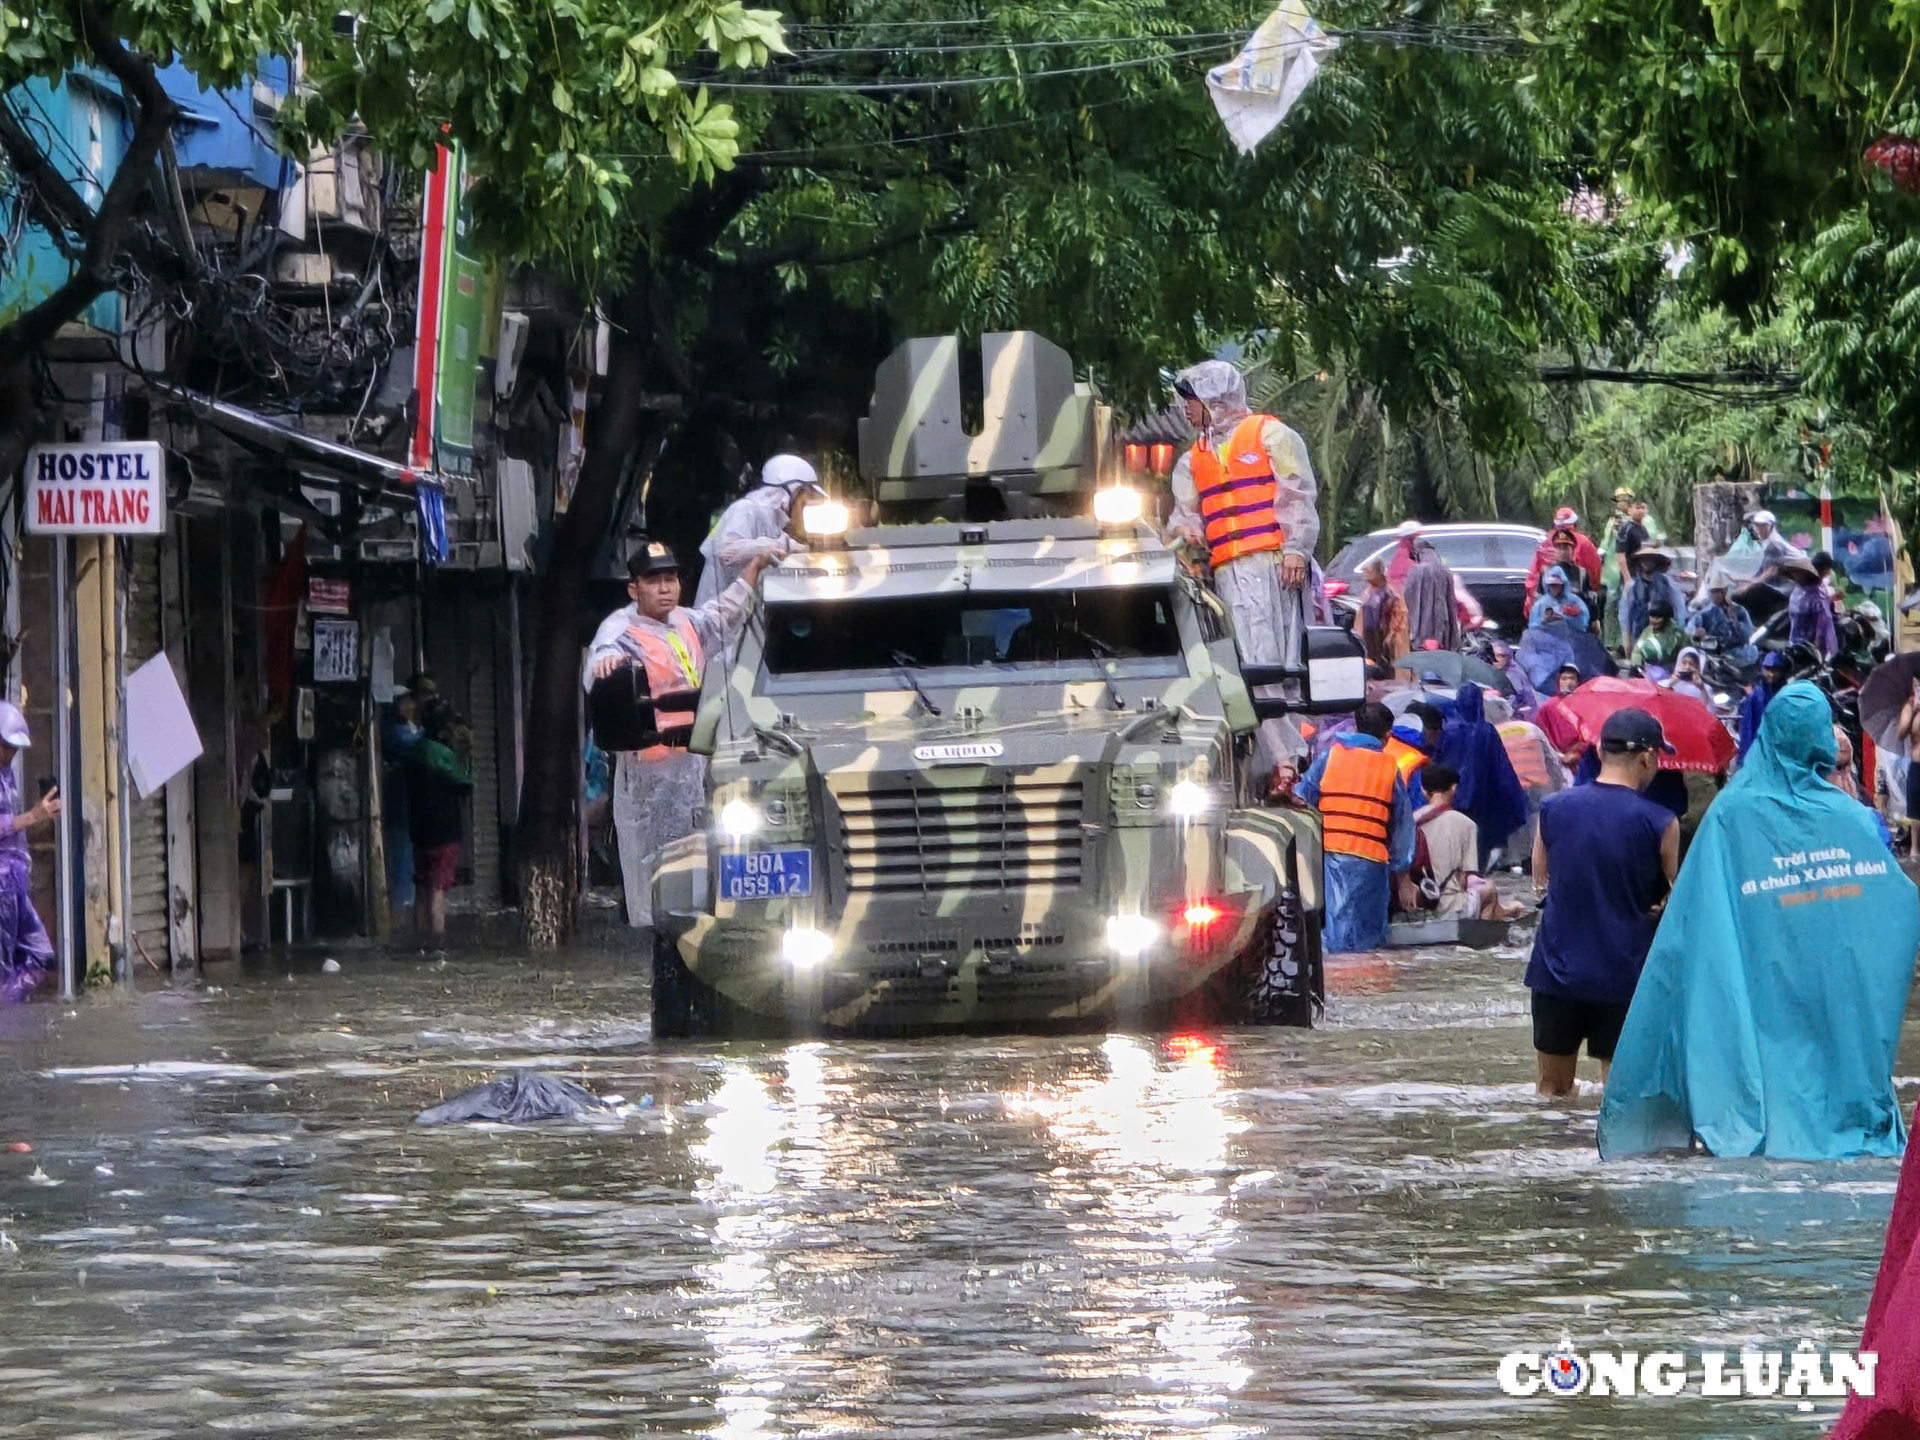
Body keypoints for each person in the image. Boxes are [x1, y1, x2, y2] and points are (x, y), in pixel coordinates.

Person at [1597, 683, 1918, 1158]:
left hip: (1760, 980)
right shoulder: (1849, 818)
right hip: (1831, 983)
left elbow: (1697, 916)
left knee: (1771, 1077)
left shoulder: (1731, 813)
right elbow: (1894, 902)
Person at [586, 537, 773, 931]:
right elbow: (600, 662)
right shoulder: (620, 630)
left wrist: (753, 570)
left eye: (671, 578)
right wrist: (608, 665)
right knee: (659, 865)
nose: (665, 587)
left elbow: (725, 614)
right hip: (652, 772)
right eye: (654, 581)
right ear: (633, 588)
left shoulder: (687, 621)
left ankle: (712, 927)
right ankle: (662, 940)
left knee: (711, 852)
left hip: (700, 761)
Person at [1167, 361, 1321, 771]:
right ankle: (1283, 758)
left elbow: (1297, 495)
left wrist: (1295, 549)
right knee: (1250, 661)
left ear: (1214, 399)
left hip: (1272, 565)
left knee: (1275, 661)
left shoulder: (1272, 435)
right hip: (1226, 573)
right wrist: (1186, 539)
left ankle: (1287, 757)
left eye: (1190, 400)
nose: (1185, 409)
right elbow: (1185, 516)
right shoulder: (1192, 459)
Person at [1526, 709, 1681, 1096]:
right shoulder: (1661, 822)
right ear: (1646, 758)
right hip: (1624, 975)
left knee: (1551, 1094)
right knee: (1620, 1098)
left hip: (1556, 971)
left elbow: (1540, 879)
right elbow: (1677, 900)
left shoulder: (1553, 809)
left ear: (1598, 749)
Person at [1296, 701, 1415, 952]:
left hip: (1331, 855)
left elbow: (1302, 797)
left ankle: (1338, 978)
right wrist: (1403, 877)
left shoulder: (1329, 757)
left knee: (1336, 924)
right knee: (1367, 933)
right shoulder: (1390, 768)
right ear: (1387, 735)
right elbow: (1402, 827)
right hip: (1371, 862)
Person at [695, 453, 819, 606]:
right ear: (793, 492)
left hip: (744, 614)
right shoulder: (746, 509)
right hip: (717, 617)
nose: (804, 505)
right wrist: (783, 545)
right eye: (804, 497)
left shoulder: (773, 520)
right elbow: (727, 552)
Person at [1434, 683, 1531, 867]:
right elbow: (1501, 768)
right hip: (1482, 798)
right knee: (1477, 848)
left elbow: (1437, 760)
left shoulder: (1449, 731)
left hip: (1450, 796)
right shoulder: (1486, 732)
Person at [0, 703, 59, 1000]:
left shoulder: (6, 775)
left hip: (15, 881)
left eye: (14, 749)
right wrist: (32, 817)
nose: (11, 754)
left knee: (41, 956)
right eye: (6, 746)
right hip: (2, 884)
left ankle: (11, 1016)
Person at [1415, 763, 1525, 921]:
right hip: (1450, 906)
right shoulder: (1466, 824)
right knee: (1489, 890)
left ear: (1423, 790)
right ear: (1453, 788)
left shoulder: (1413, 820)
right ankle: (1491, 930)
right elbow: (1471, 879)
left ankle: (1502, 913)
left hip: (1420, 903)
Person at [403, 700, 472, 946]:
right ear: (444, 729)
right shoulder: (446, 757)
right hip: (445, 834)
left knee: (422, 887)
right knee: (438, 889)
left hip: (419, 832)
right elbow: (465, 785)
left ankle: (420, 940)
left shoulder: (415, 752)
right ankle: (437, 944)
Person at [380, 672, 434, 915]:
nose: (408, 704)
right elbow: (415, 747)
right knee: (400, 863)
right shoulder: (392, 731)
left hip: (416, 810)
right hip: (399, 809)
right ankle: (400, 909)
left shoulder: (415, 728)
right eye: (403, 700)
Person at [1523, 514, 1602, 610]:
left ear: (1572, 549)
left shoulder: (1582, 573)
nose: (1563, 551)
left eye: (1566, 548)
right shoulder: (1545, 572)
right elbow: (1536, 593)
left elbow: (1591, 597)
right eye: (1559, 548)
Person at [1619, 549, 1689, 652]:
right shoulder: (1632, 587)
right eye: (1644, 559)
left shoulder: (1668, 585)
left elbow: (1679, 610)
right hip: (1638, 635)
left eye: (1651, 559)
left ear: (1657, 562)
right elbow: (1624, 615)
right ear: (1639, 562)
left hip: (1664, 635)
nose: (1647, 562)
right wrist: (1627, 642)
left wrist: (1678, 636)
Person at [1402, 538, 1460, 652]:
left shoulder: (1416, 571)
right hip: (1441, 624)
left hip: (1419, 626)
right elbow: (1450, 602)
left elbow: (1406, 595)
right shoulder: (1445, 571)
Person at [1736, 650, 1791, 764]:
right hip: (1759, 748)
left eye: (1775, 670)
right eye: (1768, 669)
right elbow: (1747, 727)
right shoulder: (1756, 696)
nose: (1771, 674)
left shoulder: (1787, 694)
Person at [1356, 557, 1407, 675]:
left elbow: (1397, 616)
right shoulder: (1369, 592)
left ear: (1378, 572)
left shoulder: (1389, 593)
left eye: (1368, 572)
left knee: (1384, 667)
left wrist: (1391, 635)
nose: (1365, 577)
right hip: (1369, 634)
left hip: (1383, 635)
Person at [1687, 578, 1757, 665]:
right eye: (1714, 592)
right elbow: (1689, 629)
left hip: (1737, 652)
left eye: (1720, 591)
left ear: (1725, 591)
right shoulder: (1705, 612)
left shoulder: (1739, 610)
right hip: (1713, 653)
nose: (1717, 595)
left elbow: (1748, 634)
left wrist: (1735, 622)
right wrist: (1696, 633)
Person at [1534, 663, 1588, 767]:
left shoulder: (1585, 705)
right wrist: (1556, 755)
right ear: (1558, 681)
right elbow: (1541, 733)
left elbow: (1590, 734)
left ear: (1578, 682)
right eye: (1564, 679)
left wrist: (1576, 753)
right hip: (1556, 760)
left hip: (1581, 760)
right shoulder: (1548, 707)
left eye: (1572, 678)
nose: (1568, 682)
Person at [1787, 553, 1840, 658]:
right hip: (1812, 647)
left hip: (1795, 641)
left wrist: (1831, 598)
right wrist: (1818, 648)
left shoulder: (1798, 591)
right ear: (1825, 570)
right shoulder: (1817, 595)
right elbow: (1822, 625)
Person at [1528, 566, 1591, 632]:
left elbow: (1583, 622)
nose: (1553, 588)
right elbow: (1533, 627)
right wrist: (1545, 621)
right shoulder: (1540, 604)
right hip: (1547, 639)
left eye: (1556, 585)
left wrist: (1565, 618)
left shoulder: (1574, 601)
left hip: (1569, 639)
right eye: (1551, 585)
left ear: (1563, 585)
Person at [1488, 639, 1536, 720]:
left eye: (1501, 656)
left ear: (1508, 657)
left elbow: (1510, 702)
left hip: (1520, 716)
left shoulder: (1513, 674)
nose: (1497, 660)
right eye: (1493, 655)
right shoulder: (1494, 670)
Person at [1629, 600, 1684, 669]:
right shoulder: (1647, 631)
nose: (1654, 620)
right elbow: (1637, 651)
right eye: (1652, 616)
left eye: (1658, 617)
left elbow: (1687, 652)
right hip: (1649, 669)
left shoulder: (1677, 633)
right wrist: (1636, 664)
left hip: (1672, 669)